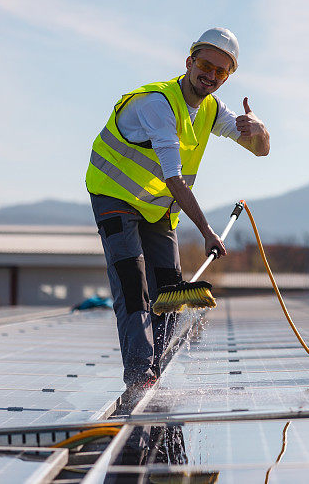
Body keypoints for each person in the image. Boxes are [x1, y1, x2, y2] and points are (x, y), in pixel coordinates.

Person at [85, 27, 270, 397]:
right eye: (205, 65)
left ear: (227, 77)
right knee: (132, 285)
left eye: (221, 72)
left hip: (157, 209)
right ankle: (139, 376)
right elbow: (174, 180)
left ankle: (158, 364)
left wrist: (260, 129)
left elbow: (260, 150)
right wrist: (207, 232)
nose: (211, 76)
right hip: (115, 196)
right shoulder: (158, 104)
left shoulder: (212, 110)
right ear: (190, 62)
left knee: (171, 290)